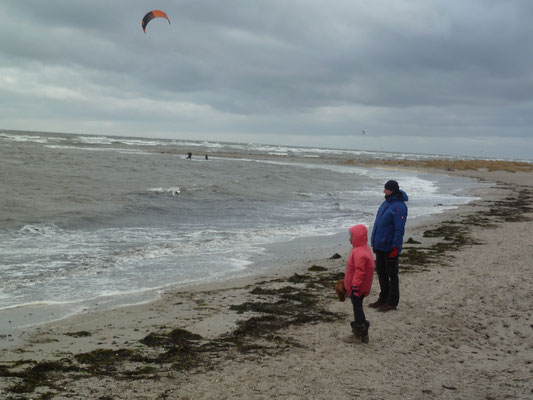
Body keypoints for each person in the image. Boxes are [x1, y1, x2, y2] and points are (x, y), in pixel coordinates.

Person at [369, 180, 408, 312]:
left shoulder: (399, 207)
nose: (384, 191)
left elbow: (399, 230)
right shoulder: (385, 203)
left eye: (386, 189)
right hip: (379, 245)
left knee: (392, 274)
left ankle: (392, 302)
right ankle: (383, 298)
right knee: (381, 273)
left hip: (390, 247)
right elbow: (378, 223)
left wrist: (395, 248)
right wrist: (374, 241)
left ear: (392, 190)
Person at [345, 224, 375, 343]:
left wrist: (355, 287)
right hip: (358, 287)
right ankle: (364, 332)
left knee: (357, 309)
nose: (349, 239)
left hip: (357, 288)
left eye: (351, 237)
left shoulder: (359, 253)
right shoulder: (363, 249)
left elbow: (360, 272)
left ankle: (358, 333)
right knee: (358, 308)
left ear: (357, 237)